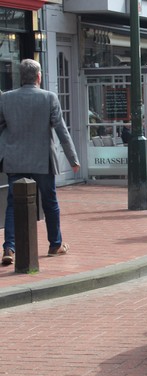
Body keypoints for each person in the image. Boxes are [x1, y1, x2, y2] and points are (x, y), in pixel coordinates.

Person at [0, 59, 80, 265]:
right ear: (38, 77)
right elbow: (61, 130)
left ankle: (9, 247)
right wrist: (73, 159)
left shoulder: (6, 99)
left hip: (15, 159)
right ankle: (55, 244)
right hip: (42, 161)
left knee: (12, 204)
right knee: (50, 202)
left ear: (20, 77)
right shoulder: (49, 98)